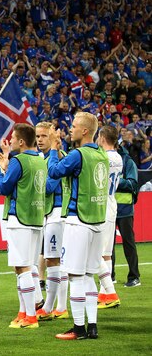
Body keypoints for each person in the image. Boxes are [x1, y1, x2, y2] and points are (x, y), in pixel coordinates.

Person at [46, 112, 109, 340]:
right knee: (89, 276)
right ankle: (92, 327)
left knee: (74, 275)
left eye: (73, 126)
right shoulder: (101, 154)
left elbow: (53, 172)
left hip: (78, 220)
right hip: (98, 222)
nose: (70, 129)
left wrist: (54, 149)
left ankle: (78, 328)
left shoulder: (78, 155)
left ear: (84, 131)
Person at [0, 123, 46, 330]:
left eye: (14, 137)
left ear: (21, 141)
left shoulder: (19, 160)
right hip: (37, 217)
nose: (10, 140)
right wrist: (6, 163)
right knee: (27, 265)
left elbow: (4, 187)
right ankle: (23, 312)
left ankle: (30, 317)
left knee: (22, 267)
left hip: (19, 217)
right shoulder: (40, 159)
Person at [34, 122, 70, 320]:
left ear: (53, 138)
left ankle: (50, 308)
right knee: (56, 261)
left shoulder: (56, 158)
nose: (39, 140)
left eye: (43, 136)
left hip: (57, 213)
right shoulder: (45, 158)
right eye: (37, 136)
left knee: (53, 261)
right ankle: (60, 307)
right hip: (51, 213)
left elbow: (48, 186)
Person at [95, 125, 123, 308]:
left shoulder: (103, 157)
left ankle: (110, 292)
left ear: (103, 138)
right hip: (112, 204)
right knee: (106, 253)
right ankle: (103, 294)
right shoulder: (118, 157)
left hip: (100, 205)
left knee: (95, 253)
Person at [113, 144, 140, 288]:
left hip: (125, 209)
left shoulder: (128, 162)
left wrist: (114, 180)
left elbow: (133, 184)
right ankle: (110, 277)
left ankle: (134, 276)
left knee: (128, 243)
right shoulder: (105, 159)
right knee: (107, 246)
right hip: (109, 208)